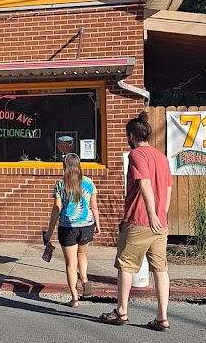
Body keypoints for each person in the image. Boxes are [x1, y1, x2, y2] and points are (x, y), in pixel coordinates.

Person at [100, 111, 173, 331]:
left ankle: (121, 311)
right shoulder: (161, 157)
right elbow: (168, 188)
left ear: (131, 136)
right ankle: (162, 317)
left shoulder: (136, 155)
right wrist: (161, 213)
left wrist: (151, 213)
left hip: (139, 220)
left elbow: (145, 183)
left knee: (126, 266)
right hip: (161, 223)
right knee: (160, 269)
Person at [43, 153, 100, 307]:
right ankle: (84, 279)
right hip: (87, 225)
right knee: (82, 253)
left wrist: (49, 231)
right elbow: (94, 206)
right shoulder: (88, 182)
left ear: (65, 166)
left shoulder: (60, 184)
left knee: (70, 263)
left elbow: (56, 208)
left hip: (68, 227)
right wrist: (98, 224)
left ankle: (74, 299)